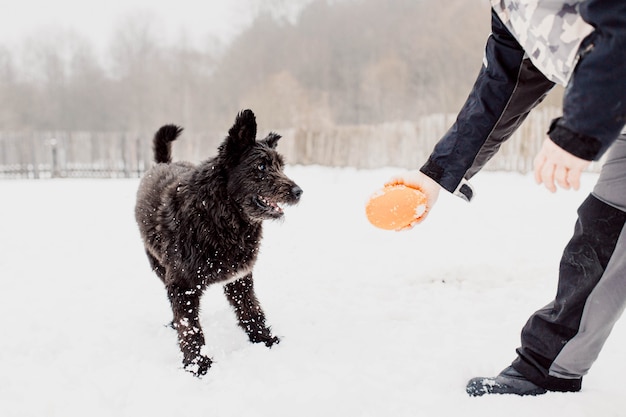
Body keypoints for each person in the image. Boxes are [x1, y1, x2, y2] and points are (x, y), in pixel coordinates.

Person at [390, 0, 626, 396]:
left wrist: (580, 131)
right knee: (602, 233)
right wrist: (437, 175)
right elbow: (502, 86)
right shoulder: (513, 10)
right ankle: (547, 367)